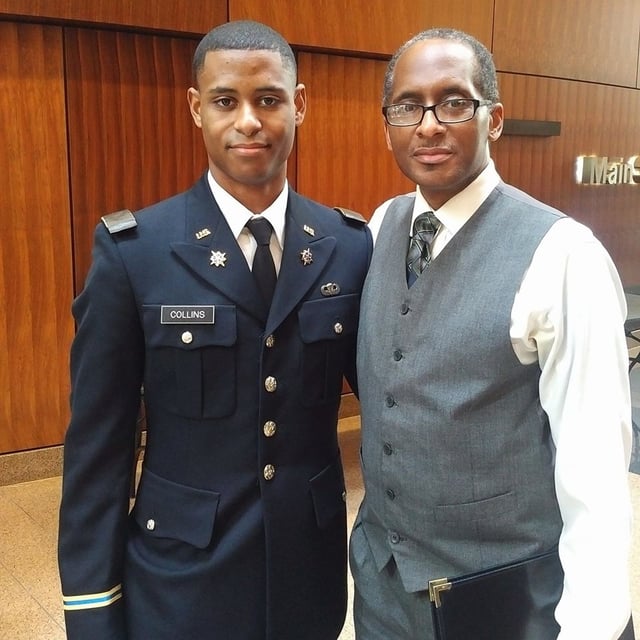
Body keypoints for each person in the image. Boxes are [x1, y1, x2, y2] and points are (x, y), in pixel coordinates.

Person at [58, 20, 371, 640]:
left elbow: (389, 405)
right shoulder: (136, 252)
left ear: (299, 105)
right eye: (227, 101)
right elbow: (99, 446)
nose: (249, 121)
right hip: (181, 578)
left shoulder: (348, 245)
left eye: (269, 99)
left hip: (307, 574)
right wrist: (92, 607)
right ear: (196, 109)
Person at [350, 27, 635, 640]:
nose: (429, 124)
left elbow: (595, 472)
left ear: (494, 119)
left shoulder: (563, 254)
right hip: (383, 585)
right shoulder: (380, 227)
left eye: (454, 102)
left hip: (501, 597)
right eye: (408, 105)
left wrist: (591, 625)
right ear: (388, 123)